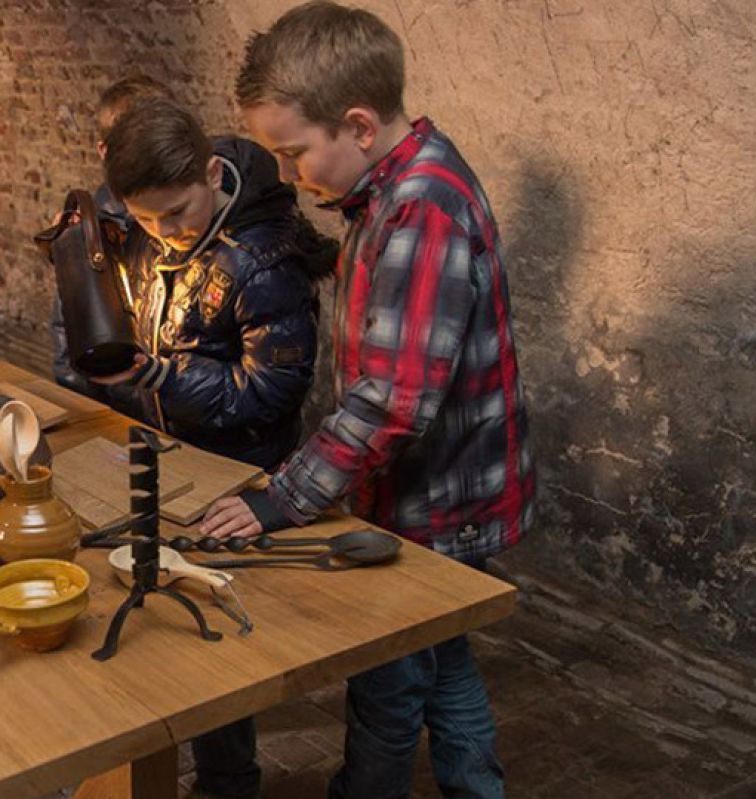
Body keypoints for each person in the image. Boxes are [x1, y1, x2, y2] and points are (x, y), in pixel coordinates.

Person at [201, 4, 538, 797]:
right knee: (443, 659)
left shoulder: (420, 203)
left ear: (356, 124)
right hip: (426, 487)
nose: (288, 174)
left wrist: (282, 498)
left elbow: (392, 399)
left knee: (387, 683)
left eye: (293, 152)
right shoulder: (389, 188)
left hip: (437, 495)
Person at [86, 96, 331, 799]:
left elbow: (270, 392)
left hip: (237, 468)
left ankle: (228, 780)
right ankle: (155, 738)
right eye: (144, 218)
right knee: (154, 604)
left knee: (213, 635)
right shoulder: (151, 227)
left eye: (177, 212)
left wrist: (157, 373)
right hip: (168, 448)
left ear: (212, 173)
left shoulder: (261, 263)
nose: (162, 232)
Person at [49, 74, 175, 399]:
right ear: (104, 151)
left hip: (177, 408)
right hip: (121, 407)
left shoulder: (181, 216)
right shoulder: (93, 230)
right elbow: (69, 329)